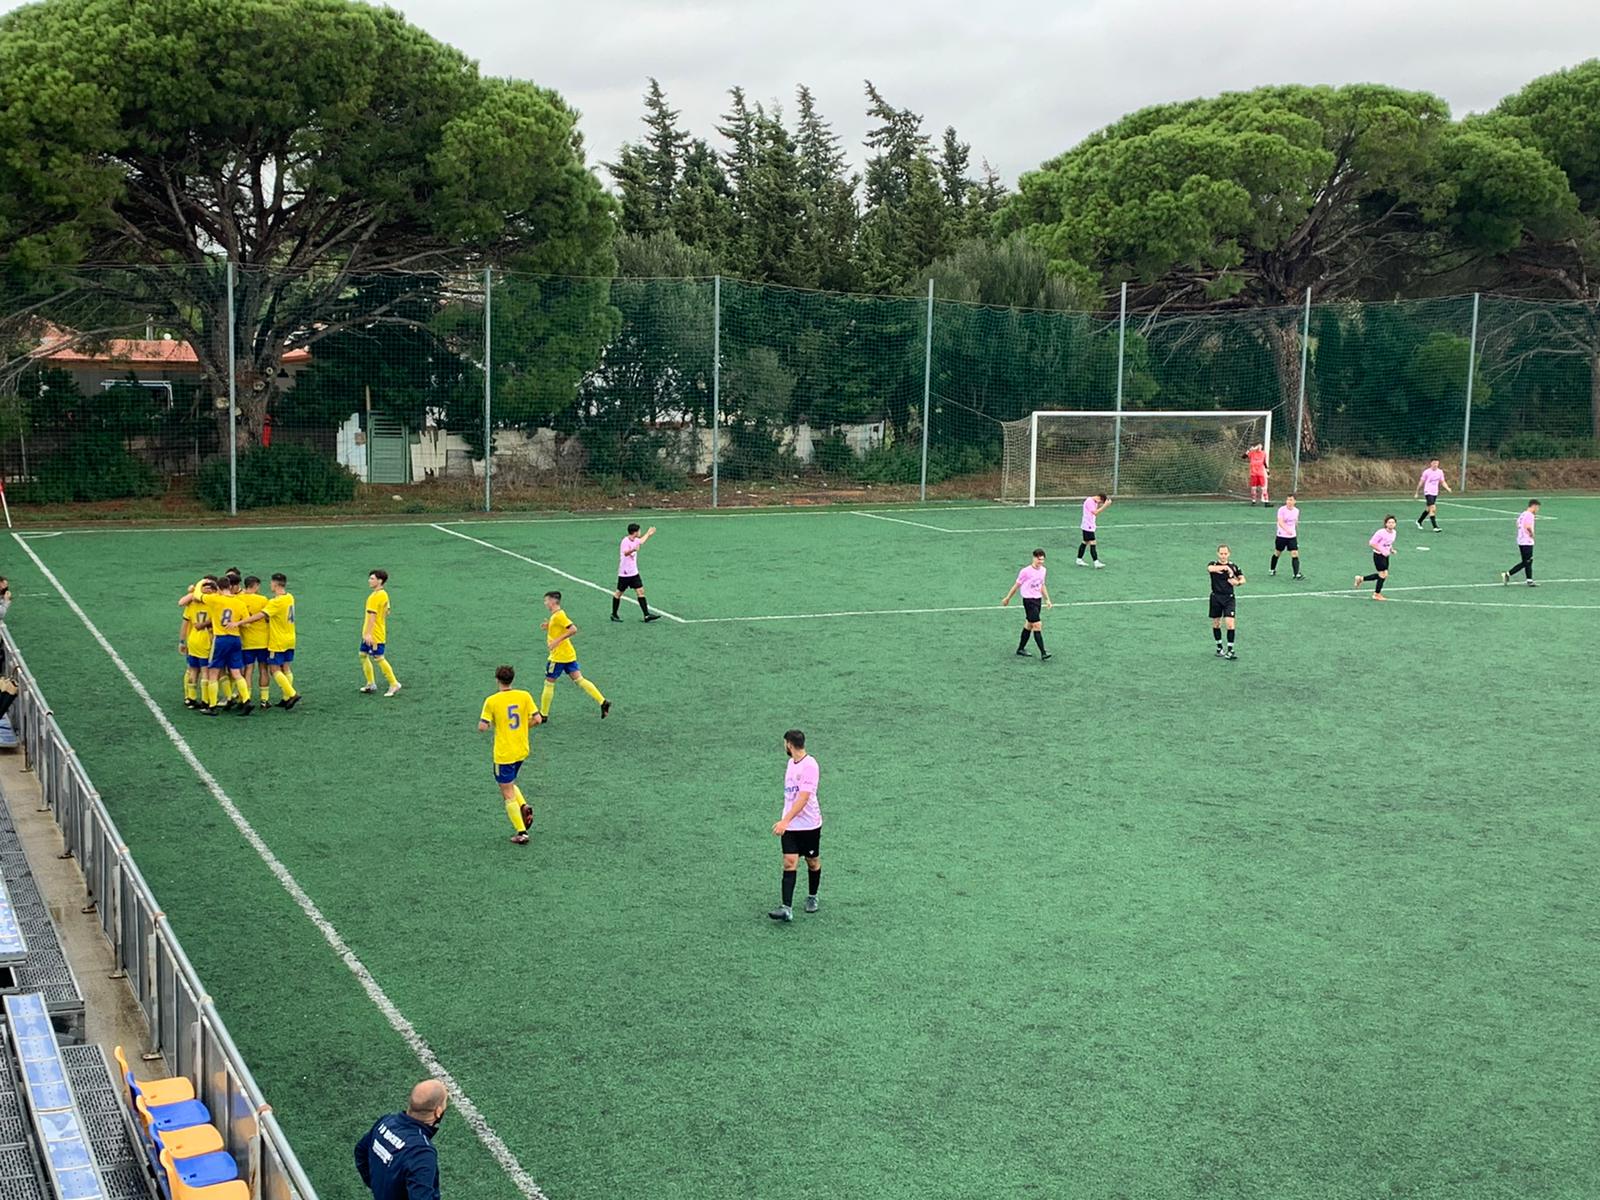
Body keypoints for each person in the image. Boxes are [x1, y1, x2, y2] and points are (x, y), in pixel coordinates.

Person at [478, 665, 542, 846]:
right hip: (521, 749)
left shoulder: (492, 701)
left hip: (504, 753)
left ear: (497, 679)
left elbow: (483, 727)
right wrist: (523, 726)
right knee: (511, 781)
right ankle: (524, 806)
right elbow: (537, 719)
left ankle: (522, 832)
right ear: (512, 679)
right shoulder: (524, 696)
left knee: (506, 791)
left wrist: (488, 726)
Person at [354, 1079, 446, 1200]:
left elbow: (360, 1152)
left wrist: (377, 1187)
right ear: (438, 1111)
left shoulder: (386, 1122)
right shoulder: (422, 1152)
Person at [769, 729, 821, 922]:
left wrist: (785, 820)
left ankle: (813, 896)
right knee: (789, 862)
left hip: (809, 825)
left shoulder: (810, 765)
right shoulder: (791, 763)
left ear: (789, 744)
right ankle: (786, 908)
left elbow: (804, 798)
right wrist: (787, 821)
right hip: (791, 826)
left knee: (812, 862)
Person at [539, 591, 608, 720]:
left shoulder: (559, 615)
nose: (545, 603)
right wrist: (548, 626)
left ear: (553, 601)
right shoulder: (557, 615)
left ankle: (543, 714)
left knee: (549, 683)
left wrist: (556, 641)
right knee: (579, 680)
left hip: (558, 656)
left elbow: (573, 629)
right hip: (568, 655)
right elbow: (561, 627)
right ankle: (603, 702)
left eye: (546, 601)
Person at [1000, 549, 1053, 659]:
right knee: (1037, 625)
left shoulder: (1043, 570)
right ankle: (1043, 652)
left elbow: (1042, 585)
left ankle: (1020, 649)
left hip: (1037, 600)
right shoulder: (1025, 571)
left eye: (1043, 560)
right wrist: (1008, 598)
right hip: (1029, 601)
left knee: (1029, 625)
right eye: (1039, 560)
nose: (1041, 562)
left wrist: (1047, 599)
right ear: (1033, 558)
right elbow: (1017, 585)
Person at [360, 570, 401, 697]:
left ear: (380, 581)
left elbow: (372, 616)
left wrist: (368, 634)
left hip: (374, 634)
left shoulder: (375, 597)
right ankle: (370, 683)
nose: (369, 580)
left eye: (372, 578)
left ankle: (394, 684)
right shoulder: (383, 594)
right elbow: (387, 611)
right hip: (374, 631)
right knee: (362, 655)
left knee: (379, 658)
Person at [263, 573, 301, 708]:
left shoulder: (275, 602)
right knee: (286, 667)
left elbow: (262, 615)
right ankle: (286, 698)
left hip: (278, 641)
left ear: (275, 584)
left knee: (274, 669)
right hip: (290, 638)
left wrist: (240, 622)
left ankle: (292, 694)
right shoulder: (289, 597)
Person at [611, 523, 662, 623]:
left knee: (641, 591)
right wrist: (633, 549)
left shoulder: (635, 540)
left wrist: (648, 533)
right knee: (618, 593)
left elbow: (641, 541)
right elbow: (625, 553)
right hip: (625, 573)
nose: (640, 532)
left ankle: (646, 615)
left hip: (634, 572)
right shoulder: (625, 541)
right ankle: (614, 614)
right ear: (635, 532)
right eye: (639, 531)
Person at [179, 576, 216, 710]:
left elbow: (185, 621)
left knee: (193, 670)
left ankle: (191, 698)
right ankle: (206, 700)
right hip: (206, 639)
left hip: (193, 639)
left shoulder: (192, 603)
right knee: (206, 671)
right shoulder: (213, 603)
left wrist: (182, 641)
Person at [235, 576, 272, 707]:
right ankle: (264, 700)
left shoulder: (238, 599)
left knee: (248, 670)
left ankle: (247, 698)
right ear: (256, 586)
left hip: (247, 642)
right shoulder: (263, 600)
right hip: (262, 641)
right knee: (263, 669)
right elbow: (268, 618)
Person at [1207, 544, 1245, 658]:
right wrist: (1225, 568)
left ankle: (1230, 650)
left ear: (1229, 554)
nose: (1223, 556)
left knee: (1230, 623)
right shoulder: (1213, 564)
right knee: (1216, 623)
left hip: (1229, 598)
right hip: (1216, 597)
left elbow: (1243, 579)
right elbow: (1210, 569)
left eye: (1225, 553)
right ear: (1218, 554)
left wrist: (1237, 583)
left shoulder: (1234, 566)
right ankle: (1219, 647)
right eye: (1221, 553)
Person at [1355, 515, 1398, 600]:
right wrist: (1382, 551)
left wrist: (1391, 550)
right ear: (1385, 524)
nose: (1391, 524)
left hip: (1386, 555)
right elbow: (1372, 543)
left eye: (1393, 522)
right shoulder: (1380, 532)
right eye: (1389, 522)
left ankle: (1361, 579)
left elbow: (1389, 543)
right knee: (1383, 574)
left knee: (1383, 574)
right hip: (1378, 555)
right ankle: (1376, 594)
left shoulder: (1394, 533)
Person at [1501, 499, 1541, 587]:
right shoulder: (1530, 515)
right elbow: (1527, 526)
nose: (1537, 510)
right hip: (1527, 541)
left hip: (1521, 540)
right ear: (1534, 506)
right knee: (1527, 561)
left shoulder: (1523, 514)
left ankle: (1529, 580)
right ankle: (1508, 574)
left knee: (1528, 561)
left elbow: (1517, 523)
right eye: (1537, 508)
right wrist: (1532, 534)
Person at [1271, 494, 1304, 579]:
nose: (1289, 502)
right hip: (1281, 536)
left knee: (1295, 553)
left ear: (1294, 501)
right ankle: (1272, 569)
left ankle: (1296, 573)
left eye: (1291, 500)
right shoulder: (1281, 510)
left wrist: (1294, 530)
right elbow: (1280, 522)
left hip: (1292, 537)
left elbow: (1295, 521)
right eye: (1288, 500)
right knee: (1277, 553)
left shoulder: (1296, 511)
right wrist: (1287, 530)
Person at [1414, 458, 1451, 530]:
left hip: (1435, 492)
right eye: (1434, 463)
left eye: (1437, 463)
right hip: (1428, 492)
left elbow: (1442, 481)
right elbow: (1421, 482)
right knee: (1433, 508)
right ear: (1431, 463)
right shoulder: (1426, 472)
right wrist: (1417, 492)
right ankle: (1435, 527)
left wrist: (1447, 488)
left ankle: (1419, 521)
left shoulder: (1440, 472)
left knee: (1428, 509)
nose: (1435, 464)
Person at [1076, 493, 1110, 568]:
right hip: (1088, 526)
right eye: (1100, 502)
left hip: (1089, 525)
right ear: (1099, 498)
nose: (1099, 503)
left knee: (1085, 542)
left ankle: (1079, 559)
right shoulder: (1090, 501)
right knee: (1093, 542)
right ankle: (1096, 562)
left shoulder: (1093, 501)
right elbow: (1095, 512)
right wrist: (1105, 505)